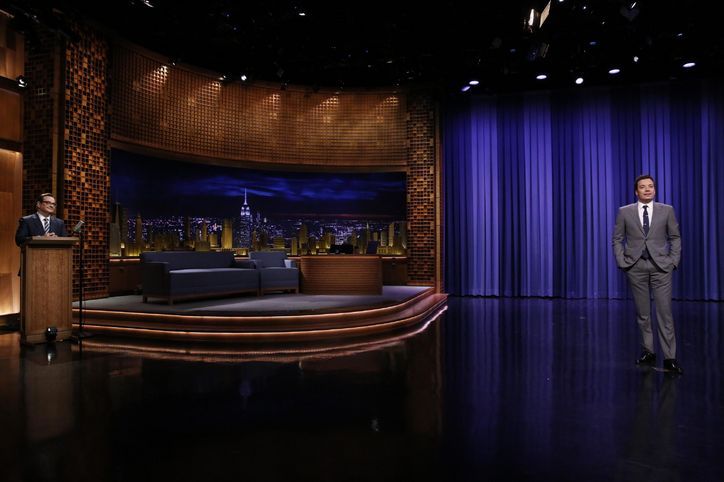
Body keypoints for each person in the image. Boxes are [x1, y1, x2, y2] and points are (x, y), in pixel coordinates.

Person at [612, 175, 682, 374]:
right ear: (637, 191)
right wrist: (622, 261)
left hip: (661, 267)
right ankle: (648, 351)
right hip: (636, 267)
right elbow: (617, 239)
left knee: (664, 313)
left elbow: (675, 237)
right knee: (643, 314)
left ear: (654, 189)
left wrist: (673, 261)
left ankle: (670, 358)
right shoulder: (624, 212)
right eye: (643, 187)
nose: (647, 189)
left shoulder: (666, 210)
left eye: (650, 186)